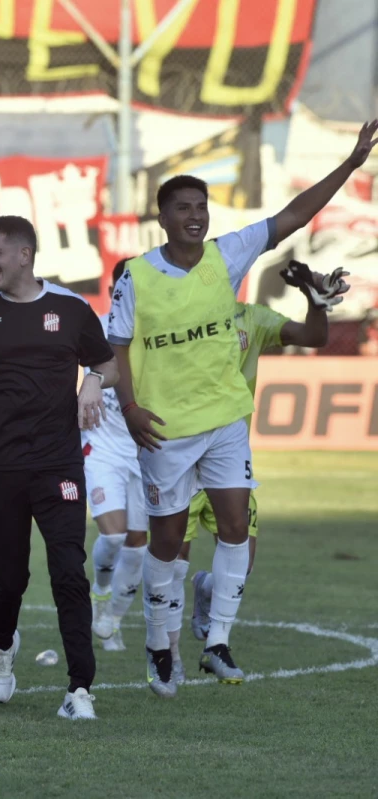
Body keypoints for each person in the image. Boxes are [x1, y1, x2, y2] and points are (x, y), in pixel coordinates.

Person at [108, 120, 376, 697]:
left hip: (225, 420)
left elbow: (294, 216)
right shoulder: (136, 277)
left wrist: (352, 164)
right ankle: (159, 645)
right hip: (164, 430)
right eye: (183, 207)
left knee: (236, 527)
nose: (196, 216)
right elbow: (117, 346)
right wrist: (128, 405)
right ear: (163, 217)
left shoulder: (225, 255)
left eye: (201, 206)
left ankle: (219, 641)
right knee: (167, 543)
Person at [0, 215, 118, 722]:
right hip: (0, 465)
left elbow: (108, 364)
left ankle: (81, 689)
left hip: (59, 462)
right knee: (10, 575)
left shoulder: (71, 308)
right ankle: (1, 646)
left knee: (69, 573)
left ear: (24, 255)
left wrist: (91, 383)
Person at [184, 266, 342, 643]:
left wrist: (315, 303)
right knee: (171, 563)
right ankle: (165, 654)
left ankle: (206, 590)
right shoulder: (176, 318)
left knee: (242, 565)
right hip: (181, 457)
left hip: (230, 458)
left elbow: (314, 337)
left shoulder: (251, 319)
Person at [84, 260, 148, 656]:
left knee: (138, 546)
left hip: (146, 451)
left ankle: (114, 622)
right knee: (114, 535)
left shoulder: (161, 335)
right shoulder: (97, 329)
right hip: (102, 447)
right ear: (113, 291)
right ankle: (101, 595)